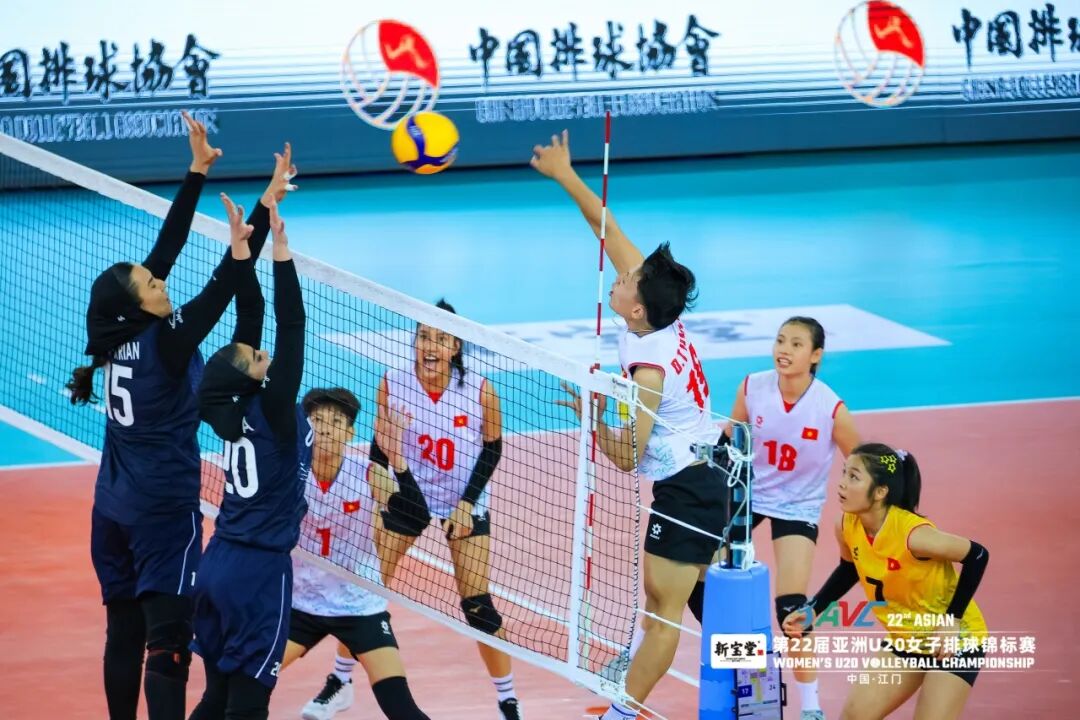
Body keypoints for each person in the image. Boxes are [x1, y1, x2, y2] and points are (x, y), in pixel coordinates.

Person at [69, 112, 291, 720]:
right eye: (151, 283)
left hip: (111, 508)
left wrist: (195, 172)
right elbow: (223, 287)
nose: (159, 279)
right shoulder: (165, 343)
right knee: (168, 646)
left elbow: (166, 249)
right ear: (138, 304)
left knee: (123, 631)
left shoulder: (119, 334)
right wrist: (261, 217)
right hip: (162, 513)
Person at [531, 130, 723, 720]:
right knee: (711, 605)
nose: (616, 278)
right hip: (709, 474)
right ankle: (756, 688)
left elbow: (624, 457)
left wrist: (593, 416)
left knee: (662, 614)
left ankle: (623, 713)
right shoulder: (652, 314)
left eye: (623, 281)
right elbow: (606, 228)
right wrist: (565, 174)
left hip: (688, 487)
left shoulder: (648, 371)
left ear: (636, 306)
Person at [361, 298, 520, 720]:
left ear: (455, 347)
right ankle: (338, 680)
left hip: (462, 497)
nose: (430, 346)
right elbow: (379, 450)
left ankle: (508, 699)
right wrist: (383, 493)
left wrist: (467, 504)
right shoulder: (393, 383)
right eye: (424, 336)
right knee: (364, 588)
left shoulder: (480, 390)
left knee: (478, 606)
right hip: (410, 493)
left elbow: (492, 448)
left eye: (441, 339)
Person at [188, 198, 310, 720]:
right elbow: (292, 323)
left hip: (217, 563)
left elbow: (251, 316)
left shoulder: (226, 409)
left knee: (215, 695)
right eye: (257, 356)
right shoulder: (276, 410)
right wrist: (281, 252)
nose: (264, 353)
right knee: (247, 704)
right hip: (259, 572)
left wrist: (242, 252)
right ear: (251, 376)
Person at [782, 444, 989, 720]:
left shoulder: (913, 535)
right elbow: (850, 568)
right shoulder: (847, 525)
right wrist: (813, 610)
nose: (842, 483)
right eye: (844, 473)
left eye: (854, 477)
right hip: (905, 638)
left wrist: (951, 621)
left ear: (880, 492)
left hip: (954, 641)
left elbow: (977, 555)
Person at [727, 316, 861, 719]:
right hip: (749, 497)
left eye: (796, 344)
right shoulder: (752, 387)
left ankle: (811, 707)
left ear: (816, 355)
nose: (784, 350)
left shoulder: (831, 409)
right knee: (713, 583)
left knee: (792, 610)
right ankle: (745, 679)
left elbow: (863, 465)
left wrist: (860, 514)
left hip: (797, 508)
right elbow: (729, 442)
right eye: (780, 341)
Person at [286, 387, 431, 720]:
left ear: (350, 433)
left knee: (401, 707)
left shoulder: (368, 473)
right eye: (317, 420)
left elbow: (416, 517)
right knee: (248, 682)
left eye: (336, 422)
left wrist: (398, 461)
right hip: (300, 604)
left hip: (359, 607)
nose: (325, 428)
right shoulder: (289, 472)